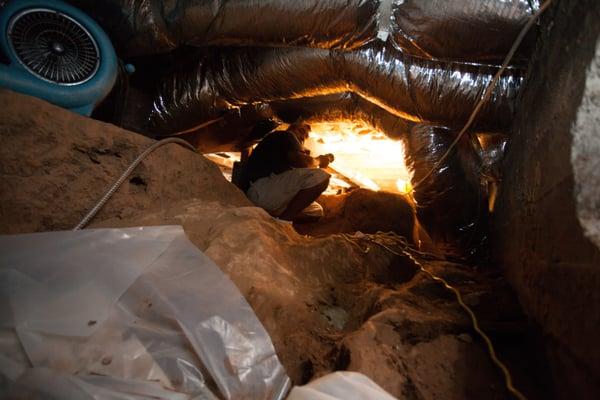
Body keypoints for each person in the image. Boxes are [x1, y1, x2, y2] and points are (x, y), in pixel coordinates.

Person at [243, 121, 334, 221]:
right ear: (291, 128)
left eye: (306, 136)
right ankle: (283, 222)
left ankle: (272, 218)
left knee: (316, 211)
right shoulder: (286, 135)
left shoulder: (284, 151)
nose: (303, 137)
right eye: (301, 131)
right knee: (321, 176)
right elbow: (301, 161)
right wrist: (320, 160)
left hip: (271, 197)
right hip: (262, 190)